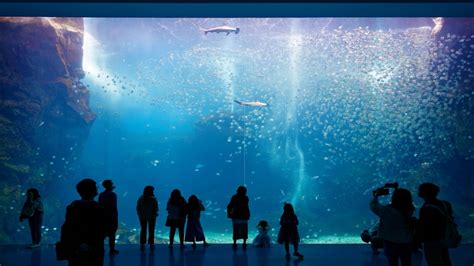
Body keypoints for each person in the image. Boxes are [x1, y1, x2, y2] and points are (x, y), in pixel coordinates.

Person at [60, 178, 105, 266]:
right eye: (95, 188)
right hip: (94, 246)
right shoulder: (98, 207)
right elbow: (99, 228)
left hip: (76, 246)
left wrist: (77, 243)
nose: (97, 189)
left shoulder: (72, 206)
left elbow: (69, 228)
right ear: (91, 190)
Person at [370, 186, 415, 266]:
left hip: (390, 242)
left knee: (392, 262)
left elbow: (373, 205)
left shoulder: (386, 211)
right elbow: (402, 200)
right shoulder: (410, 209)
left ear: (393, 198)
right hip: (406, 242)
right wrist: (397, 190)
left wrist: (376, 195)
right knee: (407, 262)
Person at [417, 183, 454, 266]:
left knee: (433, 262)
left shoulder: (426, 208)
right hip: (444, 237)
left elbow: (423, 227)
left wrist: (418, 240)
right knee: (445, 261)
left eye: (420, 190)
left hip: (431, 240)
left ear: (424, 192)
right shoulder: (445, 204)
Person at [98, 180, 119, 255]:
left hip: (103, 216)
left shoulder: (101, 194)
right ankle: (112, 249)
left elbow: (100, 206)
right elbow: (113, 207)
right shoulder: (113, 195)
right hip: (111, 217)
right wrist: (115, 216)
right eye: (111, 184)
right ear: (110, 185)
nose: (113, 184)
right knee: (112, 233)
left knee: (102, 234)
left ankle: (101, 249)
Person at [136, 186, 159, 251]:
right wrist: (155, 212)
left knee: (143, 229)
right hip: (152, 217)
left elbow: (138, 208)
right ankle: (151, 243)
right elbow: (156, 208)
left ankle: (142, 243)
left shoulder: (141, 198)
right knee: (151, 229)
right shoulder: (153, 199)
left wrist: (140, 214)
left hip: (142, 217)